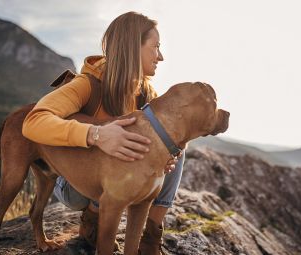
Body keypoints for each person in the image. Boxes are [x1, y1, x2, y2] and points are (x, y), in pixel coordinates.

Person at [22, 11, 184, 254]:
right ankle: (92, 221)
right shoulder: (86, 84)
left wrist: (167, 157)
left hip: (116, 182)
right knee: (113, 160)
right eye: (155, 47)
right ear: (132, 47)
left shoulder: (148, 95)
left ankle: (150, 238)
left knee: (177, 145)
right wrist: (96, 135)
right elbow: (32, 121)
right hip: (75, 184)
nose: (160, 56)